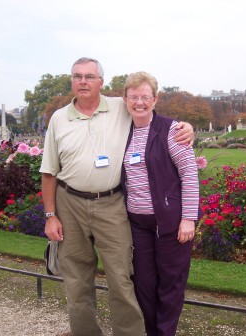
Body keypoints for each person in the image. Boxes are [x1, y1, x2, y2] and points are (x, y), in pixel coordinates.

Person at [40, 58, 194, 336]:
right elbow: (49, 172)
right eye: (77, 76)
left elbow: (149, 111)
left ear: (101, 82)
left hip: (111, 204)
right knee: (76, 279)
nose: (83, 82)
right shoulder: (59, 118)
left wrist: (186, 127)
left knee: (122, 278)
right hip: (70, 202)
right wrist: (50, 216)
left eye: (90, 76)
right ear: (71, 81)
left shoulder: (118, 107)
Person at [120, 71, 200, 336]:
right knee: (143, 283)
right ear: (125, 99)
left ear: (155, 99)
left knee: (170, 284)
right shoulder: (121, 131)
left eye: (145, 97)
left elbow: (189, 173)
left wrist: (188, 218)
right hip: (138, 223)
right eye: (133, 97)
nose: (139, 102)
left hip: (171, 222)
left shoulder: (171, 130)